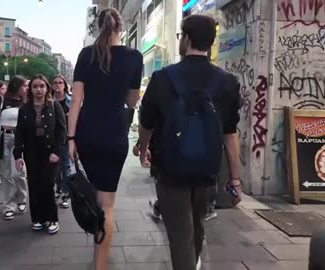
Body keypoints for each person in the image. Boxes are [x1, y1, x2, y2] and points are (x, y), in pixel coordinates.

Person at [138, 15, 242, 270]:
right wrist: (235, 180)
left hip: (171, 169)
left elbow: (146, 122)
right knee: (197, 227)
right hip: (208, 170)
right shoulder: (227, 81)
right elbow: (230, 134)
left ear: (186, 38)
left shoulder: (163, 78)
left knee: (179, 236)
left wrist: (143, 150)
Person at [68, 8, 143, 270]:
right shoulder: (134, 57)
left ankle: (97, 249)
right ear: (121, 28)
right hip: (114, 135)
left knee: (96, 193)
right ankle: (100, 265)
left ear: (98, 27)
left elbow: (76, 101)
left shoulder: (86, 55)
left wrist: (70, 139)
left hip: (87, 134)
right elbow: (132, 101)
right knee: (107, 204)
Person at [13, 74, 66, 234]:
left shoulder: (54, 105)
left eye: (42, 86)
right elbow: (20, 132)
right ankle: (37, 218)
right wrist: (18, 155)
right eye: (35, 86)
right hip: (31, 152)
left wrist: (57, 151)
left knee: (48, 184)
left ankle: (52, 218)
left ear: (46, 88)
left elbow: (61, 129)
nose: (38, 89)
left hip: (50, 152)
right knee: (34, 185)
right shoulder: (25, 108)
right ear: (30, 89)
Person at [0, 78, 28, 220]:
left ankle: (22, 198)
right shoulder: (1, 100)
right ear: (17, 86)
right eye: (24, 85)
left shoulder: (26, 101)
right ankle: (9, 205)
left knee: (20, 172)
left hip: (21, 139)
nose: (27, 88)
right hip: (3, 137)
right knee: (6, 173)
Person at [52, 74, 72, 208]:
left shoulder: (71, 101)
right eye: (55, 83)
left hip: (66, 138)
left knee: (66, 166)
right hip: (52, 139)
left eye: (60, 83)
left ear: (64, 85)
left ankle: (66, 193)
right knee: (56, 167)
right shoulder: (49, 101)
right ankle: (59, 188)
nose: (58, 85)